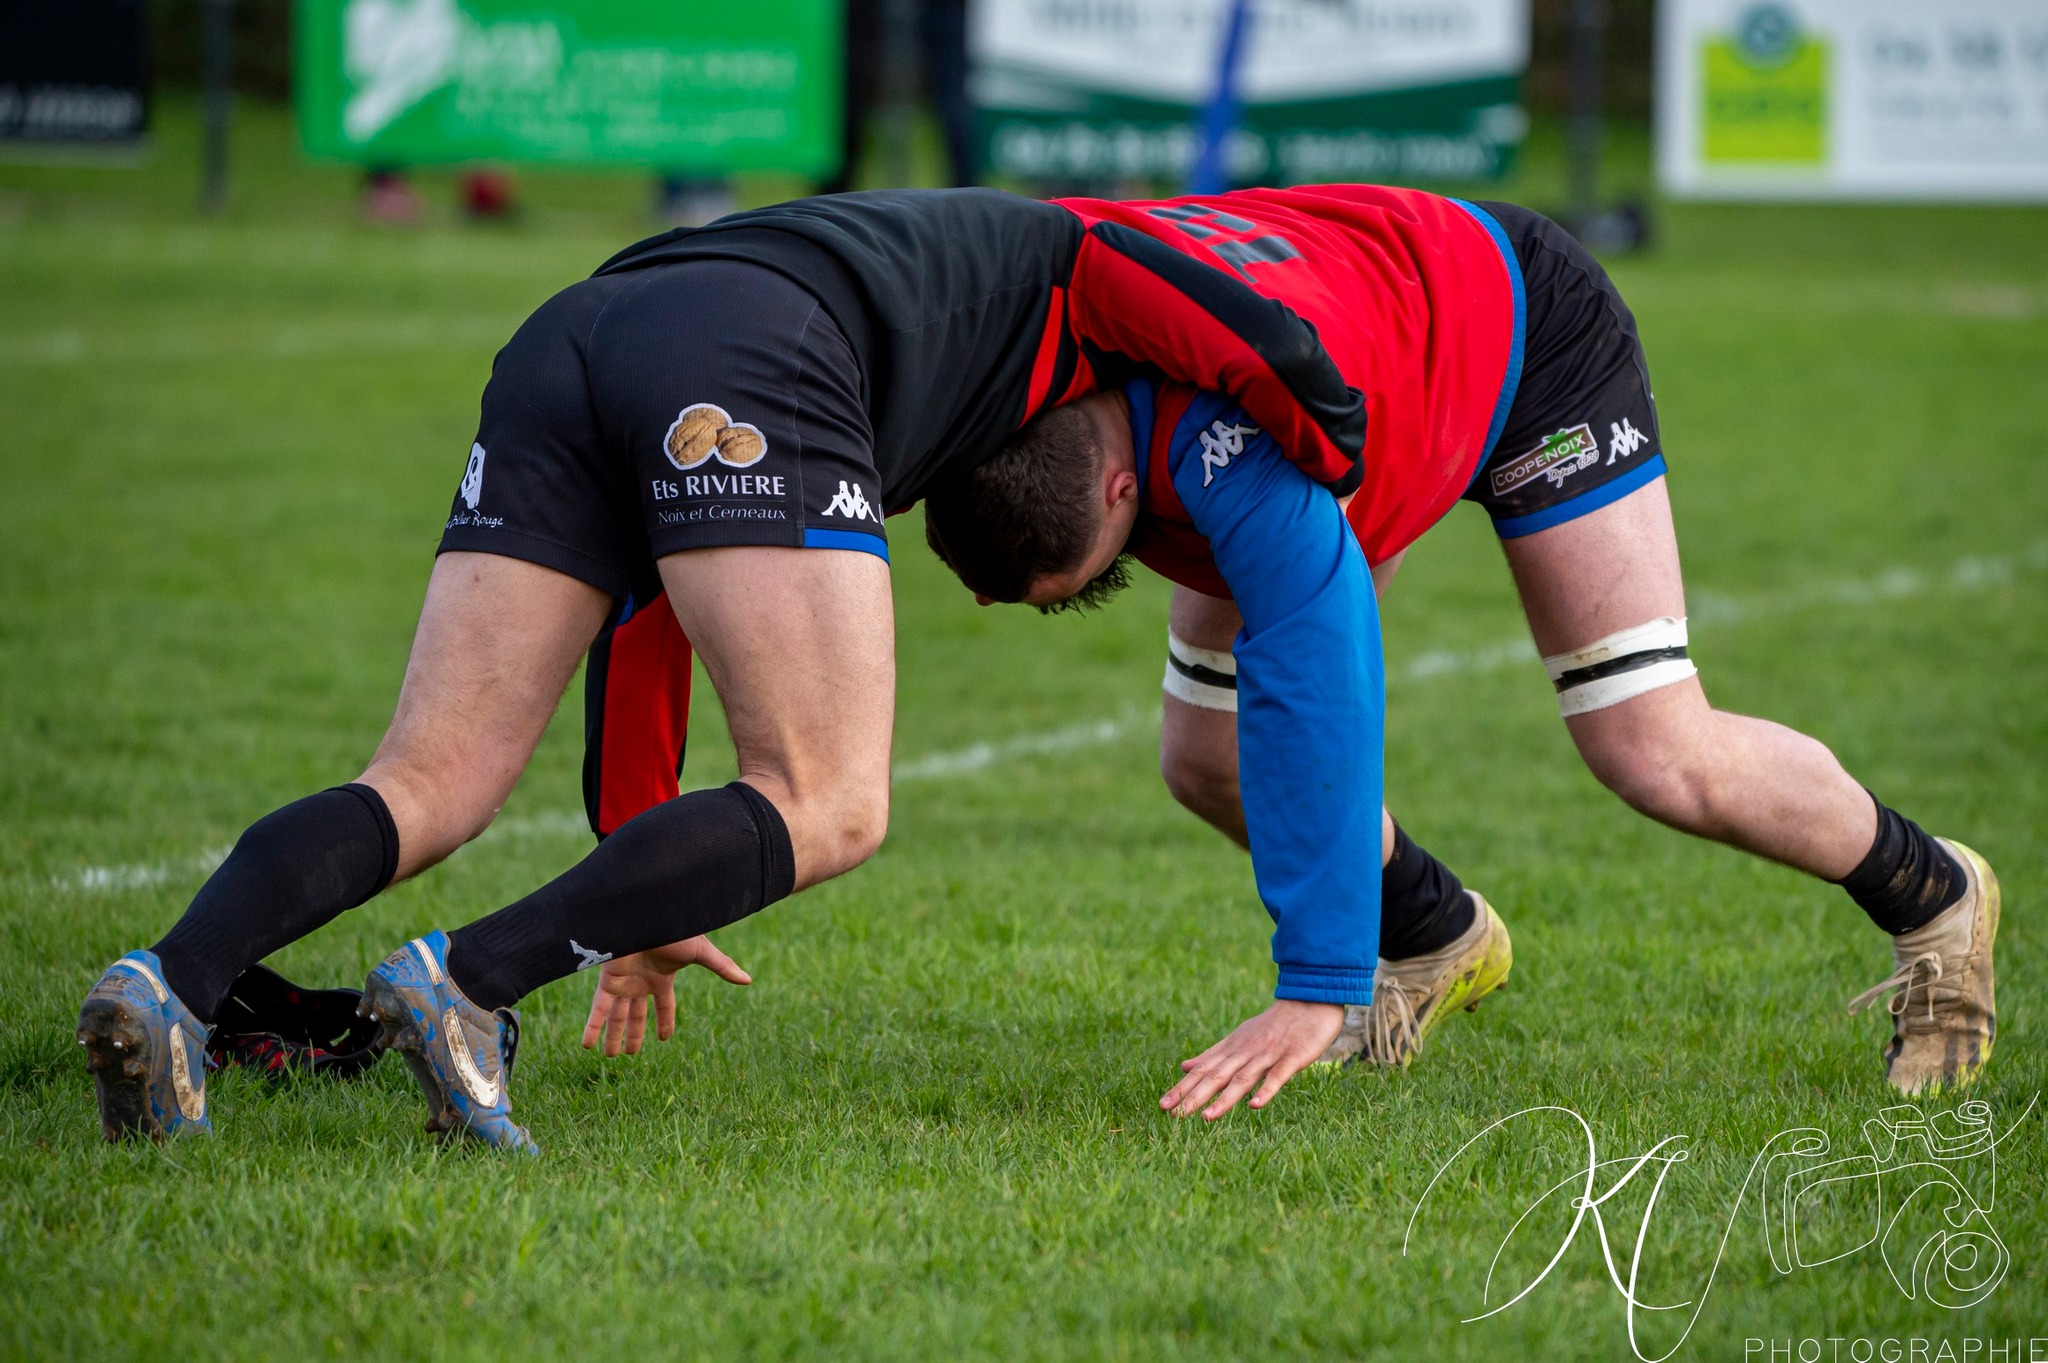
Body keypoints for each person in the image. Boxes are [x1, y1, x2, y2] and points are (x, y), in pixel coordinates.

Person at [74, 185, 1402, 1149]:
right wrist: (1328, 433)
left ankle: (173, 978)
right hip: (757, 348)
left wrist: (637, 851)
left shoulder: (926, 243)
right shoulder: (1077, 251)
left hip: (579, 327)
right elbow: (1220, 312)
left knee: (431, 775)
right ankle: (466, 982)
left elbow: (652, 607)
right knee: (830, 795)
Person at [923, 197, 2002, 1104]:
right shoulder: (1022, 328)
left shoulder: (1237, 474)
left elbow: (1320, 686)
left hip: (1522, 337)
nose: (991, 610)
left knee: (1651, 746)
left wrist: (1317, 981)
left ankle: (1934, 896)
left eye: (1069, 591)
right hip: (1367, 341)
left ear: (1123, 489)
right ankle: (1434, 934)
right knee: (1206, 757)